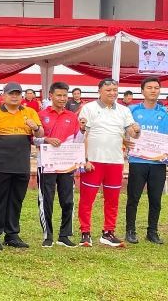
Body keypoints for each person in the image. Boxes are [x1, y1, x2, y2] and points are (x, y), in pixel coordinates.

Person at [78, 78, 141, 248]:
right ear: (99, 91)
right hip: (94, 161)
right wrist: (85, 159)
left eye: (115, 90)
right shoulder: (89, 108)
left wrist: (136, 130)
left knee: (112, 199)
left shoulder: (123, 110)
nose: (113, 93)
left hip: (115, 161)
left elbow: (130, 132)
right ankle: (85, 232)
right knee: (87, 199)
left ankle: (108, 232)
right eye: (108, 90)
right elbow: (82, 134)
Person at [0, 82, 44, 250]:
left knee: (16, 200)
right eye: (11, 93)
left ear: (22, 96)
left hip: (21, 164)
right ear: (4, 95)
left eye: (17, 93)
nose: (14, 96)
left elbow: (40, 134)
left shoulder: (30, 112)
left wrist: (36, 127)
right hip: (0, 164)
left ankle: (12, 234)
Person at [35, 82, 82, 248]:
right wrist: (46, 139)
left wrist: (83, 131)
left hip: (67, 165)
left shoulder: (72, 116)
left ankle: (65, 235)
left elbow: (78, 140)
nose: (62, 99)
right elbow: (33, 139)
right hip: (46, 164)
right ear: (51, 96)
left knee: (68, 200)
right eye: (59, 95)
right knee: (46, 199)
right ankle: (48, 235)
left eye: (65, 95)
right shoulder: (40, 115)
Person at [125, 76, 167, 245]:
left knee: (156, 199)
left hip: (158, 163)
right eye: (149, 87)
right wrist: (127, 137)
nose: (153, 90)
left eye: (156, 88)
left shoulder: (165, 113)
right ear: (142, 91)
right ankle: (130, 230)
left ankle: (152, 231)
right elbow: (125, 131)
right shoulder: (132, 111)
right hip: (137, 161)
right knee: (133, 198)